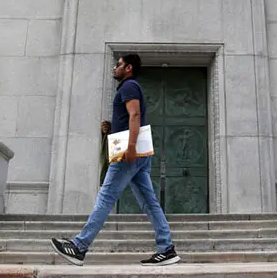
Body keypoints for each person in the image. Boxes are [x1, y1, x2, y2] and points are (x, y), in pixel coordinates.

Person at [50, 54, 180, 267]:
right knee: (149, 202)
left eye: (118, 64)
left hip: (128, 154)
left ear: (128, 68)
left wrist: (130, 147)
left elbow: (135, 115)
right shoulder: (129, 87)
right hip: (136, 154)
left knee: (106, 197)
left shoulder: (129, 87)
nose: (114, 67)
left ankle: (79, 247)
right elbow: (130, 117)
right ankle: (166, 248)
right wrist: (112, 128)